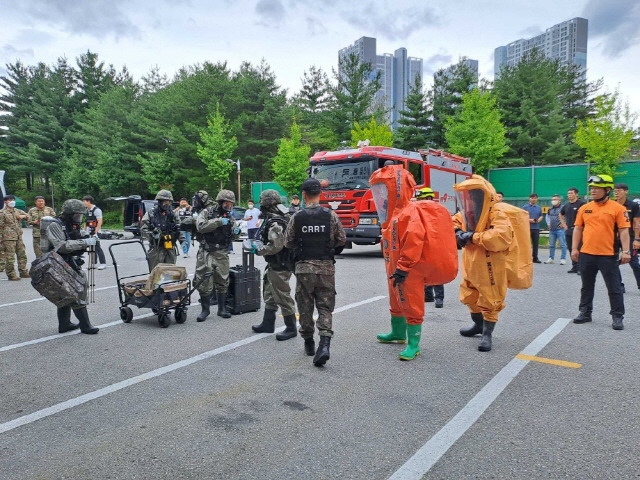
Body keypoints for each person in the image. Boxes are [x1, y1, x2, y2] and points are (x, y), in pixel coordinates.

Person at [371, 171, 457, 360]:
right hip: (395, 266)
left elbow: (414, 241)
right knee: (396, 300)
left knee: (411, 303)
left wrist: (403, 267)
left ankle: (413, 345)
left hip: (408, 269)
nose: (381, 196)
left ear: (396, 190)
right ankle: (398, 333)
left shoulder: (408, 213)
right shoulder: (394, 214)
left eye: (384, 190)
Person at [284, 178, 346, 366]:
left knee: (305, 306)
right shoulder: (331, 215)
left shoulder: (297, 216)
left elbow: (288, 242)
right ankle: (325, 344)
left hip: (304, 269)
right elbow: (341, 239)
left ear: (303, 195)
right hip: (326, 268)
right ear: (320, 194)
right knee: (325, 306)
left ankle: (309, 342)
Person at [454, 175, 516, 352]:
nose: (472, 197)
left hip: (490, 262)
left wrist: (473, 237)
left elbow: (501, 236)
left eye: (475, 193)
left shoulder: (496, 213)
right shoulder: (469, 211)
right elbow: (452, 222)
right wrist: (457, 232)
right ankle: (478, 326)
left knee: (491, 297)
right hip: (470, 260)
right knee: (469, 294)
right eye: (470, 194)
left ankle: (487, 334)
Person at [572, 175, 631, 331]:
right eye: (591, 189)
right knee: (586, 286)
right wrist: (574, 249)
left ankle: (617, 316)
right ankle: (585, 312)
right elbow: (578, 228)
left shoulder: (618, 208)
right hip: (587, 254)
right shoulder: (585, 207)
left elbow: (624, 231)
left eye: (596, 189)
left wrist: (626, 251)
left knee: (614, 287)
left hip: (608, 255)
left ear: (607, 190)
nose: (593, 191)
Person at [41, 199, 99, 334]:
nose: (79, 219)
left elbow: (76, 236)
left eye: (80, 216)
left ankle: (64, 324)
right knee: (75, 290)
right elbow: (62, 246)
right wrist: (85, 242)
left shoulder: (71, 224)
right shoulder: (55, 225)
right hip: (57, 262)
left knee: (65, 293)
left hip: (67, 260)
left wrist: (88, 236)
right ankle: (85, 326)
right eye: (76, 216)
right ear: (68, 214)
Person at [246, 189, 297, 339]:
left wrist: (258, 250)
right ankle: (268, 324)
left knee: (282, 296)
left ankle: (291, 328)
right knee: (269, 293)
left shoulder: (276, 221)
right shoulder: (281, 216)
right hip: (275, 263)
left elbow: (276, 246)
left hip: (281, 264)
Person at [194, 189, 240, 321]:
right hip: (206, 251)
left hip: (222, 252)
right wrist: (218, 222)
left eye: (231, 205)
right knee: (203, 280)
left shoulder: (230, 218)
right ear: (220, 202)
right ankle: (205, 310)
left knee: (223, 280)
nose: (229, 207)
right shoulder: (207, 212)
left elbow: (234, 235)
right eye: (226, 204)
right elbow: (201, 227)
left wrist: (236, 232)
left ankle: (222, 309)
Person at [415, 187, 445, 309]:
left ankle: (439, 298)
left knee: (436, 270)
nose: (418, 202)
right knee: (424, 269)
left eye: (421, 199)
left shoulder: (438, 211)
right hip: (423, 243)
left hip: (436, 244)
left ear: (429, 198)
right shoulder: (418, 210)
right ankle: (427, 295)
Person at [140, 190, 180, 270]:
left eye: (169, 201)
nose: (167, 203)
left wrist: (180, 238)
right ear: (159, 201)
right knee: (156, 273)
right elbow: (143, 229)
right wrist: (153, 235)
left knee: (171, 272)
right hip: (156, 248)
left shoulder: (173, 214)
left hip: (170, 248)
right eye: (165, 201)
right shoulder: (150, 214)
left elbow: (179, 227)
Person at [613, 183, 640, 293]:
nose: (616, 193)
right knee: (613, 263)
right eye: (615, 191)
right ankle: (619, 285)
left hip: (629, 238)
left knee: (633, 263)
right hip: (613, 238)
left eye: (619, 190)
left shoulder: (633, 205)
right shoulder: (612, 204)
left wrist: (637, 239)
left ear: (626, 191)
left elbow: (637, 223)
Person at [0, 195, 30, 281]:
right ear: (5, 202)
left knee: (22, 255)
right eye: (9, 200)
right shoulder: (2, 213)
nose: (12, 201)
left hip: (18, 236)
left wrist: (23, 216)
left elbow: (29, 217)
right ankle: (11, 274)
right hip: (8, 238)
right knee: (10, 257)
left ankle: (23, 272)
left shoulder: (18, 211)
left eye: (13, 200)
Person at [560, 188, 586, 274]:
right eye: (568, 193)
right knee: (571, 249)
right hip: (569, 230)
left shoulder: (582, 204)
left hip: (578, 230)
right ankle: (574, 266)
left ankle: (580, 267)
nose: (569, 195)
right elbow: (561, 214)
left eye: (571, 193)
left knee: (579, 248)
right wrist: (563, 224)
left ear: (576, 194)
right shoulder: (566, 205)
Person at [82, 196, 107, 270]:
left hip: (96, 231)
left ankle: (103, 263)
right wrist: (84, 230)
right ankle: (93, 263)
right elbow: (86, 221)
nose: (83, 203)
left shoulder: (97, 210)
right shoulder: (87, 210)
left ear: (88, 201)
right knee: (91, 248)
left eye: (84, 201)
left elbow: (99, 221)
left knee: (97, 247)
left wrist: (96, 232)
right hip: (89, 231)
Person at [544, 194, 567, 265]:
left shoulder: (563, 208)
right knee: (551, 245)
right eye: (552, 199)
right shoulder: (550, 209)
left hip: (560, 229)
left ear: (559, 200)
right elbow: (547, 216)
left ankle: (563, 259)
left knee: (563, 245)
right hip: (552, 230)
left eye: (555, 199)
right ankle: (551, 258)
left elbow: (567, 216)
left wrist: (564, 223)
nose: (553, 201)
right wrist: (548, 224)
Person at [522, 193, 543, 263]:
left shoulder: (538, 207)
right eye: (532, 198)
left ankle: (535, 258)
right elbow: (522, 217)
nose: (534, 199)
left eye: (535, 198)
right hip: (528, 228)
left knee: (535, 244)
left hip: (536, 228)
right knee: (526, 244)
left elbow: (541, 216)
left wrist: (539, 220)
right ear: (529, 199)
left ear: (537, 199)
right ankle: (526, 258)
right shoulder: (525, 207)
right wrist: (530, 220)